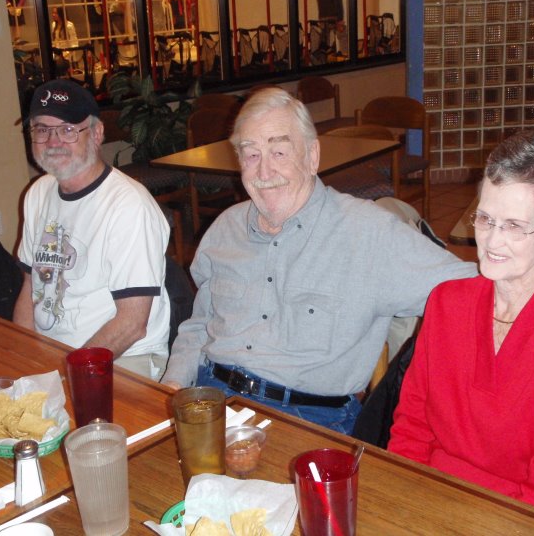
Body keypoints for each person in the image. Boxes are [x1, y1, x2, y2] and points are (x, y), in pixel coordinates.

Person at [161, 87, 479, 433]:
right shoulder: (226, 228)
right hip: (211, 402)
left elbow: (478, 293)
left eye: (279, 151)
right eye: (250, 154)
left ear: (313, 156)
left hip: (307, 419)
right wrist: (172, 385)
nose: (264, 171)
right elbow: (200, 323)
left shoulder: (367, 233)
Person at [388, 130, 534, 524]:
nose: (491, 241)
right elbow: (411, 428)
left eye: (514, 225)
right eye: (485, 217)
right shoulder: (446, 303)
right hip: (432, 500)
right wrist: (406, 504)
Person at [13, 79, 171, 380]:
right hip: (54, 353)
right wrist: (25, 357)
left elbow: (132, 324)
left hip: (121, 359)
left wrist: (66, 373)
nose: (53, 141)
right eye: (41, 129)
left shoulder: (128, 206)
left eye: (68, 129)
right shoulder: (38, 193)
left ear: (97, 134)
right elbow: (28, 287)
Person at [50, 7, 80, 75]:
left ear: (61, 14)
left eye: (55, 13)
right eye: (53, 13)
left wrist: (66, 54)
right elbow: (54, 41)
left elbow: (74, 43)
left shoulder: (69, 25)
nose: (53, 15)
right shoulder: (54, 25)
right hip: (56, 53)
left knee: (59, 65)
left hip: (65, 54)